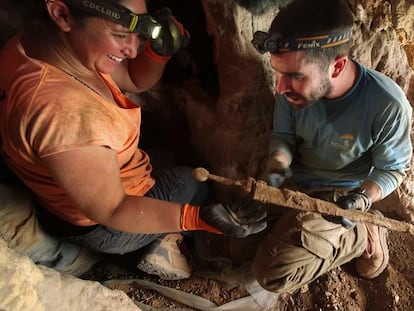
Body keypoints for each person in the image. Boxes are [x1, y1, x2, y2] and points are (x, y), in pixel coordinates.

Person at [0, 0, 267, 280]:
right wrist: (196, 218)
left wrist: (158, 52)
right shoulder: (65, 115)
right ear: (62, 13)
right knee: (192, 180)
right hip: (102, 225)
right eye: (119, 35)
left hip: (73, 183)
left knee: (162, 152)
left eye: (137, 33)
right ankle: (156, 245)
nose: (131, 49)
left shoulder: (49, 46)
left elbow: (133, 79)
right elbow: (113, 210)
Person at [249, 0, 412, 293]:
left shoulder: (386, 104)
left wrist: (362, 199)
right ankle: (304, 232)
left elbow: (393, 168)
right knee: (238, 245)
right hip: (298, 185)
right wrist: (277, 164)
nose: (280, 88)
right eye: (278, 72)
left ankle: (365, 230)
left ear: (336, 65)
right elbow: (284, 137)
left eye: (295, 76)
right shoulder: (291, 93)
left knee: (271, 273)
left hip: (342, 198)